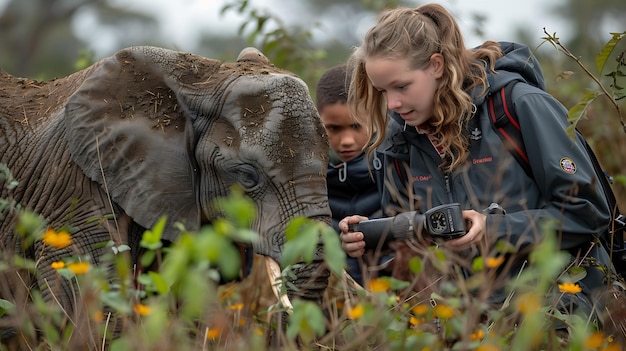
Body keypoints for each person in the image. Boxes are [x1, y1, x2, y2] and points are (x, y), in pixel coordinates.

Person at [338, 3, 617, 326]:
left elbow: (590, 212)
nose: (393, 104)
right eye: (382, 91)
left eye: (402, 86)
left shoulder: (519, 106)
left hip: (557, 318)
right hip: (459, 326)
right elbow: (414, 251)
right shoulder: (398, 144)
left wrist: (493, 230)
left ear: (436, 65)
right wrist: (376, 239)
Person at [315, 64, 387, 285]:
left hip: (386, 285)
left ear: (375, 117)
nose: (346, 140)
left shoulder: (391, 163)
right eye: (333, 129)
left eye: (356, 126)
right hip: (333, 288)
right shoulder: (310, 172)